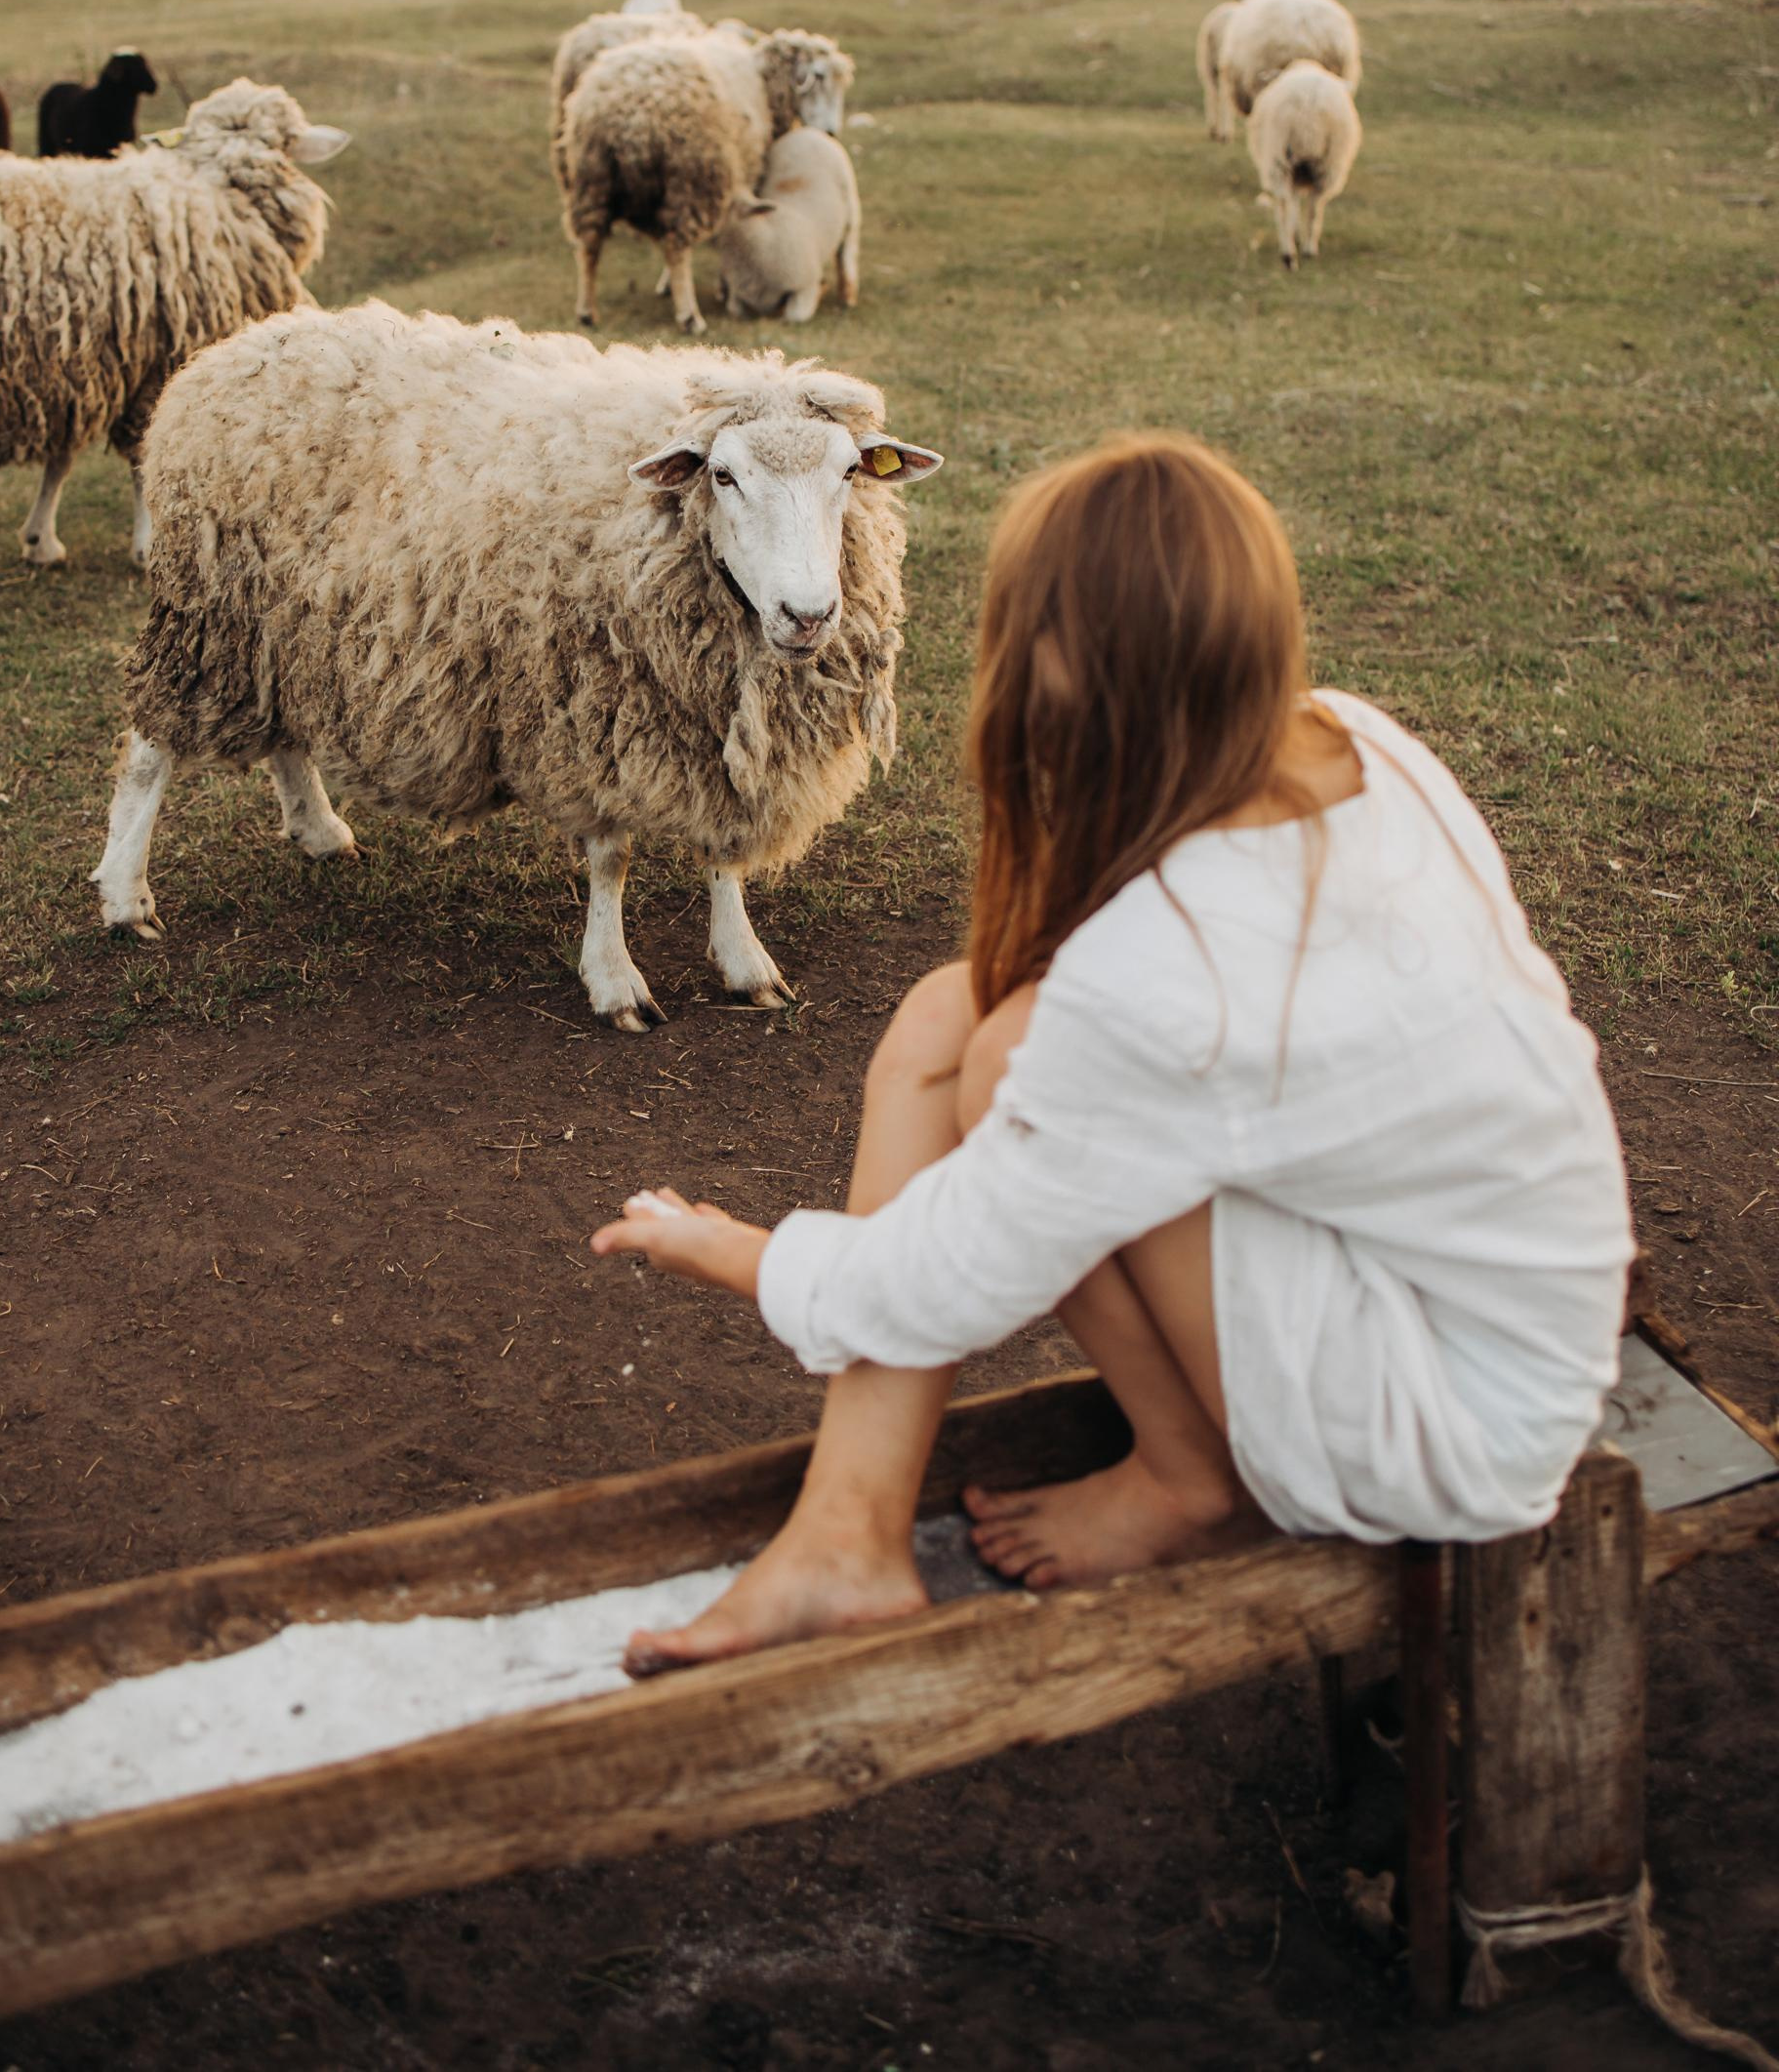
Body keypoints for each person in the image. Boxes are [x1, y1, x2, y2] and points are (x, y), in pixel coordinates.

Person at [591, 432, 1633, 1676]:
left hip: (1449, 1426)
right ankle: (845, 1537)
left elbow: (939, 1283)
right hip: (1517, 1303)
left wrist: (729, 1248)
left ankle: (1186, 1482)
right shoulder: (1355, 739)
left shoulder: (1159, 978)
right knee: (951, 1013)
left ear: (1060, 672)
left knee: (1014, 1054)